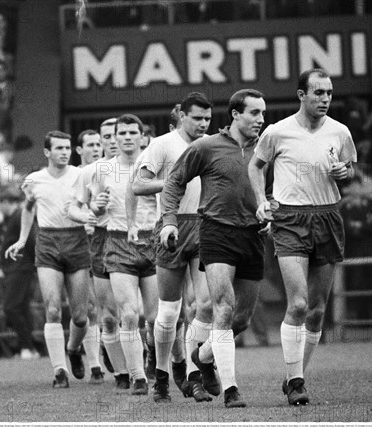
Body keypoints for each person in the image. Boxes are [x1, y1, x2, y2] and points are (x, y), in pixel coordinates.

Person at [248, 68, 357, 406]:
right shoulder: (277, 132)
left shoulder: (340, 132)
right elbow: (255, 166)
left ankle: (296, 374)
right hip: (291, 219)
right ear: (301, 95)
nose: (325, 99)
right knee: (297, 303)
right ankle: (296, 382)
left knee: (317, 310)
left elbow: (350, 168)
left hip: (327, 215)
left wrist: (345, 171)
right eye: (318, 93)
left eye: (328, 93)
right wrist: (262, 201)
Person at [161, 89, 268, 408]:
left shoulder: (266, 149)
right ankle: (232, 389)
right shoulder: (206, 147)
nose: (261, 120)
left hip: (253, 235)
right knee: (223, 307)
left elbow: (273, 189)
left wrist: (269, 208)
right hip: (216, 232)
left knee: (242, 320)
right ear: (235, 114)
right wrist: (169, 220)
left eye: (263, 114)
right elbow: (174, 182)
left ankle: (204, 356)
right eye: (254, 113)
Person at [129, 92, 214, 403]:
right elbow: (138, 185)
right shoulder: (163, 144)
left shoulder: (211, 145)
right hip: (171, 226)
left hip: (206, 226)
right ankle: (162, 375)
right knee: (169, 312)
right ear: (182, 116)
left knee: (204, 306)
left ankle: (196, 371)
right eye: (197, 118)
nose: (204, 124)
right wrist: (172, 183)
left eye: (208, 118)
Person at [5, 131, 95, 388]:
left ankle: (73, 348)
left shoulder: (80, 175)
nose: (65, 152)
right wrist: (22, 241)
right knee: (53, 308)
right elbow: (28, 209)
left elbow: (88, 204)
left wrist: (90, 217)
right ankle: (59, 371)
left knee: (79, 316)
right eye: (59, 148)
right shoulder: (34, 179)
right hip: (47, 243)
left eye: (67, 148)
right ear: (47, 152)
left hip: (76, 241)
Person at [86, 114, 158, 395]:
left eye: (132, 132)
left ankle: (155, 355)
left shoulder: (153, 165)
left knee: (155, 317)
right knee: (128, 314)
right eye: (122, 133)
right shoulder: (102, 169)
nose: (127, 137)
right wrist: (97, 206)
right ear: (113, 138)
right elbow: (95, 208)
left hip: (151, 240)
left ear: (142, 136)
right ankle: (137, 376)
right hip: (117, 241)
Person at [68, 121, 130, 389]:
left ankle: (146, 364)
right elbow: (74, 207)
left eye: (114, 136)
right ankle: (120, 371)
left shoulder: (137, 164)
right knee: (106, 313)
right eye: (105, 137)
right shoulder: (91, 172)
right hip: (101, 240)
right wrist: (90, 213)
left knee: (135, 312)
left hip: (134, 238)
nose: (112, 141)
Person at [0, 186, 39, 360]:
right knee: (21, 308)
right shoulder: (16, 217)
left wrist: (32, 262)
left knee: (11, 307)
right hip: (19, 268)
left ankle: (27, 346)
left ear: (7, 202)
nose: (0, 208)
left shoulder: (18, 217)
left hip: (20, 269)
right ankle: (30, 347)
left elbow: (31, 240)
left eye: (2, 204)